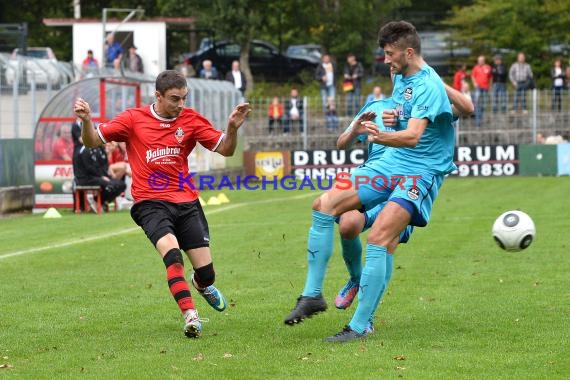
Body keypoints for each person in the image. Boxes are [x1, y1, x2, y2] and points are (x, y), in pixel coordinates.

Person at [283, 20, 458, 342]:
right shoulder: (402, 79)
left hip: (420, 172)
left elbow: (414, 137)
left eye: (390, 54)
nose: (386, 61)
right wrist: (391, 119)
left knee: (379, 238)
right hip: (392, 163)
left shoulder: (430, 85)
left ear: (408, 51)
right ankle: (312, 296)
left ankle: (360, 325)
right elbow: (405, 119)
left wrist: (381, 133)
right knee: (325, 204)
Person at [73, 70, 251, 338]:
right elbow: (92, 140)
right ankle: (190, 316)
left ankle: (201, 285)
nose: (181, 104)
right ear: (157, 96)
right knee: (172, 255)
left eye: (184, 98)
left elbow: (226, 149)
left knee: (207, 274)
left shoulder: (190, 119)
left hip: (186, 201)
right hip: (150, 203)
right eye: (174, 99)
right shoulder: (133, 119)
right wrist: (87, 121)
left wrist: (232, 129)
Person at [332, 82, 474, 331]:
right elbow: (342, 143)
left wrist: (437, 82)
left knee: (384, 241)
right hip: (375, 179)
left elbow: (464, 108)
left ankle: (366, 319)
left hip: (407, 182)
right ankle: (355, 279)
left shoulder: (426, 102)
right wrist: (355, 130)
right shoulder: (375, 106)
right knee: (347, 224)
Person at [471, 55, 492, 127]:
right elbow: (473, 76)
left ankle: (480, 117)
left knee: (484, 104)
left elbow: (490, 77)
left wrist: (490, 85)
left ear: (484, 60)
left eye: (481, 60)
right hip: (478, 88)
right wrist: (474, 83)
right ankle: (477, 120)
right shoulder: (475, 68)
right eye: (479, 60)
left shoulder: (488, 67)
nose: (480, 61)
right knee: (477, 104)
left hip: (486, 88)